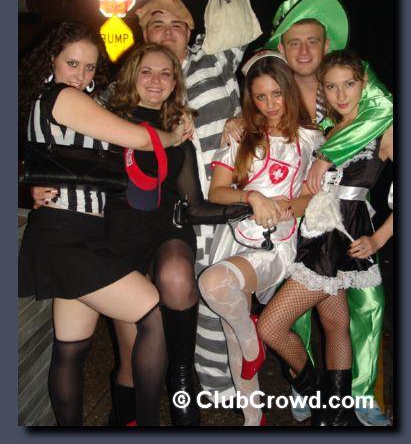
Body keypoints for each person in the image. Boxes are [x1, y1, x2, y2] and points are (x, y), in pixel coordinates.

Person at [18, 22, 186, 426]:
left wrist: (29, 184)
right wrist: (175, 135)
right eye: (72, 63)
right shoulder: (62, 97)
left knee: (71, 349)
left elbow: (46, 157)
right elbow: (141, 139)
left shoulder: (70, 103)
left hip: (80, 232)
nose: (80, 75)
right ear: (51, 61)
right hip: (66, 234)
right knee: (151, 313)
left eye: (90, 67)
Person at [103, 42, 251, 426]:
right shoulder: (107, 121)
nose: (156, 80)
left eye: (165, 73)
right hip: (122, 234)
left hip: (170, 226)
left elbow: (195, 204)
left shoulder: (179, 131)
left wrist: (250, 205)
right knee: (133, 351)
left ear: (174, 83)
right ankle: (128, 418)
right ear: (132, 75)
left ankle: (182, 377)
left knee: (176, 276)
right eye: (147, 71)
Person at [262, 0, 393, 425]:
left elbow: (381, 110)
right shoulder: (308, 115)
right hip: (307, 230)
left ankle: (337, 394)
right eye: (333, 87)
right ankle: (326, 402)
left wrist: (381, 237)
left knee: (357, 310)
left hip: (348, 233)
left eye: (348, 85)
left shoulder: (377, 120)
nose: (339, 93)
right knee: (327, 322)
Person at [198, 51, 324, 425]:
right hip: (234, 236)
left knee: (214, 283)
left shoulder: (310, 139)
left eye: (276, 93)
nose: (270, 104)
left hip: (275, 244)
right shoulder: (241, 136)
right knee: (232, 334)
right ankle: (255, 420)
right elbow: (217, 192)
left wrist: (287, 206)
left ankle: (253, 341)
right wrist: (251, 196)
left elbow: (314, 197)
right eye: (260, 96)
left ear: (288, 90)